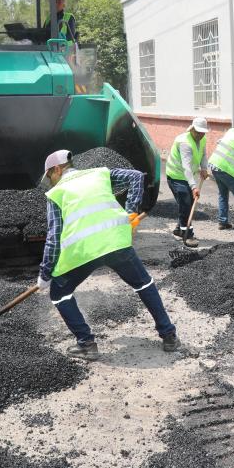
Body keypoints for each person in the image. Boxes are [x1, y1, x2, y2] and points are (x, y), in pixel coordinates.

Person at [37, 150, 179, 360]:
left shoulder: (57, 194)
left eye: (50, 176)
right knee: (144, 284)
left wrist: (45, 273)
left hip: (84, 251)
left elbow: (54, 237)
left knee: (59, 293)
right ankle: (169, 336)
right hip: (116, 242)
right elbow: (136, 176)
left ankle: (86, 344)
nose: (51, 182)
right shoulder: (99, 174)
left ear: (57, 169)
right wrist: (130, 211)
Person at [165, 117, 209, 248]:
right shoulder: (184, 142)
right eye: (199, 132)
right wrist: (194, 187)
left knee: (187, 204)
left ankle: (180, 228)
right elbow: (186, 167)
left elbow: (203, 155)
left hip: (187, 176)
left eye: (203, 132)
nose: (201, 135)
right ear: (192, 129)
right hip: (176, 175)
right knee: (186, 203)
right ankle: (187, 235)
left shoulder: (203, 139)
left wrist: (204, 168)